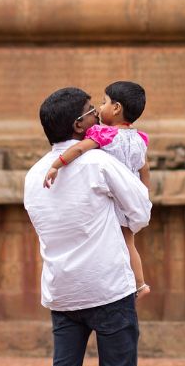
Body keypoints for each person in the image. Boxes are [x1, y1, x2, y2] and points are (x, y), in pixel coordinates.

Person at [23, 87, 152, 366]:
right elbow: (141, 211)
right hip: (109, 288)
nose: (97, 112)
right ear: (80, 126)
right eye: (89, 111)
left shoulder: (33, 174)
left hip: (62, 292)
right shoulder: (98, 161)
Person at [44, 81, 152, 299]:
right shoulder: (140, 138)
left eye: (104, 103)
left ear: (116, 108)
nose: (100, 108)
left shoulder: (105, 135)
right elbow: (145, 168)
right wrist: (143, 195)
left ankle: (130, 285)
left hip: (111, 201)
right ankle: (140, 284)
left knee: (109, 243)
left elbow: (79, 148)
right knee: (129, 243)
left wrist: (56, 164)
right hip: (129, 200)